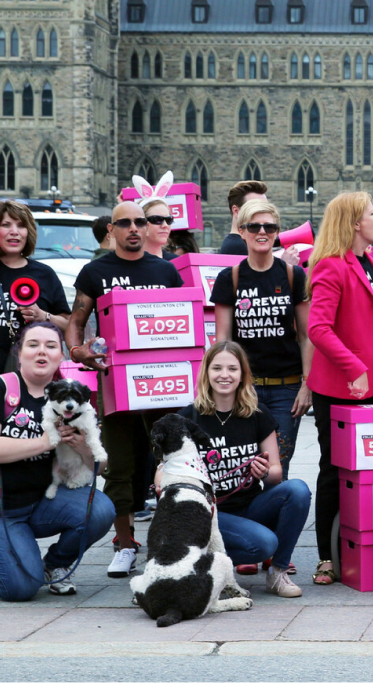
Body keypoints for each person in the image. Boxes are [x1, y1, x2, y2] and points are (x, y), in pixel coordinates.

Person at [66, 201, 184, 579]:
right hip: (116, 386)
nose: (135, 228)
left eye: (141, 221)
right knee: (119, 466)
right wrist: (78, 351)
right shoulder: (94, 271)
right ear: (111, 230)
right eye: (126, 223)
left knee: (171, 463)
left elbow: (186, 321)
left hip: (163, 387)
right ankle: (125, 543)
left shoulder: (166, 271)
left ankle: (172, 540)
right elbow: (76, 321)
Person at [306, 192, 373, 585]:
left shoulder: (370, 261)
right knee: (335, 471)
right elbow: (318, 329)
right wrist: (355, 366)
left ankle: (371, 545)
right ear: (354, 223)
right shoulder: (330, 267)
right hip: (342, 386)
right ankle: (326, 558)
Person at [0, 322, 115, 600]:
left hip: (40, 502)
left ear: (62, 355)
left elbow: (100, 468)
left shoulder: (74, 400)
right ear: (19, 353)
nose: (41, 352)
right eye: (33, 345)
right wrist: (46, 442)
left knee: (100, 509)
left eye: (51, 346)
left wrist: (84, 448)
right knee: (20, 589)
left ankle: (54, 565)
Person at [171, 341, 309, 597]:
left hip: (251, 505)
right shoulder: (188, 418)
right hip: (209, 513)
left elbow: (277, 472)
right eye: (217, 368)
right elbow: (164, 471)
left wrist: (264, 470)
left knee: (298, 490)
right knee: (263, 544)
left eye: (232, 368)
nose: (225, 375)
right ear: (206, 373)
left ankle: (278, 573)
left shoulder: (257, 414)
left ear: (243, 374)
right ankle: (200, 561)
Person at [210, 199, 311, 494]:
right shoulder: (230, 278)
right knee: (243, 464)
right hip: (246, 390)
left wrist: (308, 384)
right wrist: (220, 387)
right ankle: (250, 533)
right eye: (254, 226)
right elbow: (223, 341)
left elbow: (306, 336)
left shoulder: (293, 275)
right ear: (242, 231)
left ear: (277, 231)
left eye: (269, 226)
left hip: (286, 390)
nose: (262, 231)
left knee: (277, 468)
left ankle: (274, 534)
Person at [0, 201, 71, 397]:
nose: (14, 231)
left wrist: (43, 316)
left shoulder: (44, 275)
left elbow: (69, 326)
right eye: (5, 225)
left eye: (21, 225)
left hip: (22, 384)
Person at [219, 181, 269, 256]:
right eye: (255, 208)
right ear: (236, 211)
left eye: (266, 208)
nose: (263, 213)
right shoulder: (237, 247)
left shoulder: (240, 243)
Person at [137, 196, 178, 262]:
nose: (165, 225)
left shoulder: (177, 262)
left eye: (169, 220)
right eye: (157, 220)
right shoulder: (126, 264)